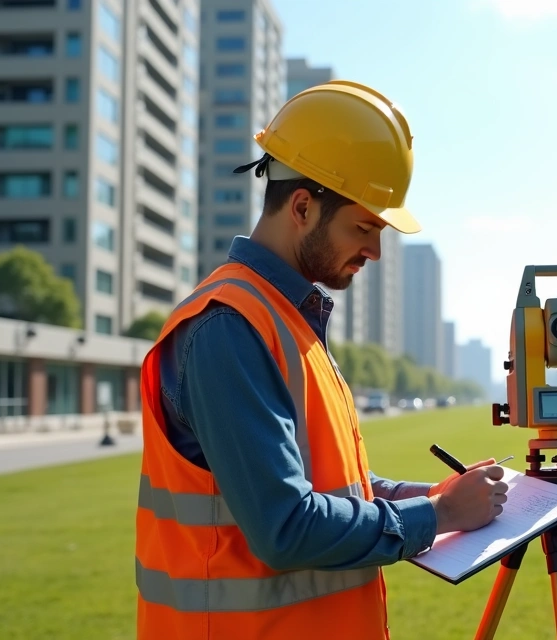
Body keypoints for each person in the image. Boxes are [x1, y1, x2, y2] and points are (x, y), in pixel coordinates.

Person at [134, 80, 509, 639]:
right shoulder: (227, 327)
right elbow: (286, 524)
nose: (375, 252)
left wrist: (424, 495)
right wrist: (444, 516)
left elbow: (328, 485)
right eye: (364, 227)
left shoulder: (286, 317)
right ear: (303, 206)